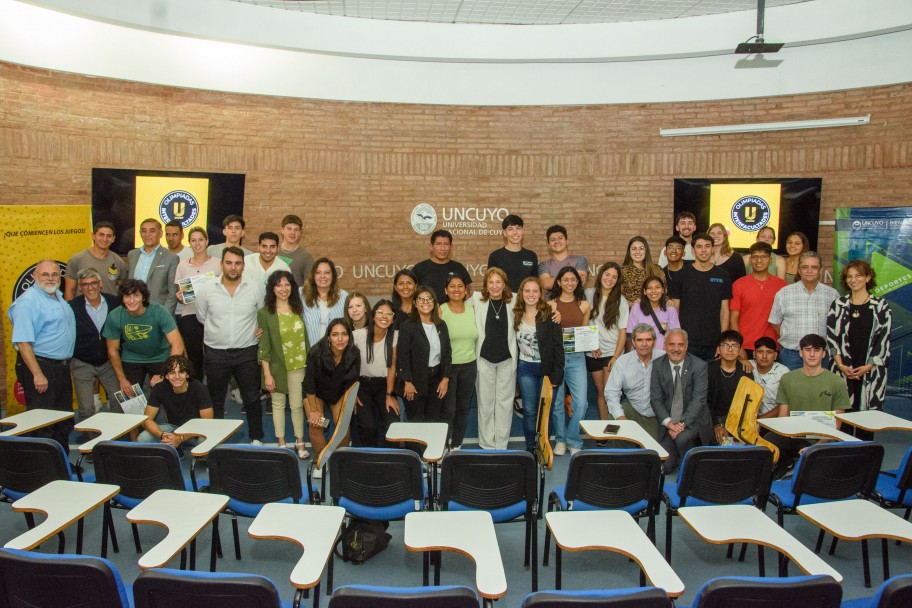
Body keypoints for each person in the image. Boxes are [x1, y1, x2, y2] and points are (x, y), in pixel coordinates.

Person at [195, 247, 267, 444]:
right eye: (228, 262)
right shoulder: (207, 289)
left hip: (247, 351)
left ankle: (256, 438)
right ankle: (216, 441)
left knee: (251, 397)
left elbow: (260, 314)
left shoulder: (255, 288)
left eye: (237, 263)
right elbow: (202, 317)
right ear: (221, 264)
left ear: (243, 265)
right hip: (216, 354)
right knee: (216, 400)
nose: (233, 267)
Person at [8, 259, 76, 450]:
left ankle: (60, 465)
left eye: (54, 274)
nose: (50, 278)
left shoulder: (57, 296)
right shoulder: (28, 302)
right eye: (44, 274)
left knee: (63, 419)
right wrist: (37, 374)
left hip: (60, 368)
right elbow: (23, 342)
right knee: (43, 423)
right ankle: (43, 470)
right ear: (34, 276)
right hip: (40, 367)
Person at [768, 333, 850, 476]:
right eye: (807, 350)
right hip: (792, 435)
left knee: (811, 466)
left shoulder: (837, 382)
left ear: (823, 354)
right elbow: (782, 417)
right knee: (764, 444)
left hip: (820, 439)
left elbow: (837, 425)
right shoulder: (787, 379)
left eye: (817, 350)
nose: (812, 354)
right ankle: (786, 463)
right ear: (801, 352)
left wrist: (816, 447)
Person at [826, 259, 892, 432]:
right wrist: (841, 365)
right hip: (842, 371)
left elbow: (883, 341)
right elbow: (831, 339)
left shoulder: (881, 306)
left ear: (868, 277)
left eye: (858, 275)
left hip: (871, 373)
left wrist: (868, 367)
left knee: (867, 424)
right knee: (841, 423)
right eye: (849, 276)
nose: (853, 280)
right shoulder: (838, 305)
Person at [103, 279, 184, 400]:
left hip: (160, 356)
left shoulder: (159, 311)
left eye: (136, 296)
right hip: (132, 357)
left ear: (144, 297)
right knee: (130, 399)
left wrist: (166, 374)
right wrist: (122, 380)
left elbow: (177, 344)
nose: (131, 300)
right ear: (122, 298)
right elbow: (112, 350)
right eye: (127, 296)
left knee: (169, 396)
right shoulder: (114, 316)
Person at [258, 270, 309, 458]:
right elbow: (263, 346)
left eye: (287, 285)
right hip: (277, 367)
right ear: (272, 288)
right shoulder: (265, 313)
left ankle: (300, 443)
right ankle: (281, 444)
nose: (283, 289)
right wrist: (267, 374)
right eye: (279, 285)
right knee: (278, 405)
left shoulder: (298, 308)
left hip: (299, 365)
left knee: (297, 405)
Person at [650, 328, 711, 473]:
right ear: (664, 345)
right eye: (671, 344)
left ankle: (691, 471)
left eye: (680, 345)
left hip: (694, 420)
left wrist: (681, 425)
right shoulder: (658, 365)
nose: (676, 349)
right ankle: (679, 458)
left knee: (681, 439)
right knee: (665, 466)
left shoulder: (699, 366)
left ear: (686, 346)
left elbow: (699, 400)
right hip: (669, 422)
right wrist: (669, 423)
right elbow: (656, 399)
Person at [513, 277, 564, 452]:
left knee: (546, 412)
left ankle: (544, 446)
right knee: (529, 410)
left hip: (547, 370)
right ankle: (530, 447)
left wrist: (556, 375)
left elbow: (558, 347)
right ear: (522, 293)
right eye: (527, 291)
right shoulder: (515, 314)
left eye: (535, 291)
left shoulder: (550, 314)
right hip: (526, 368)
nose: (531, 294)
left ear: (541, 294)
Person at [304, 319, 361, 468]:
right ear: (328, 337)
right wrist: (314, 410)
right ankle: (321, 461)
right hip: (315, 393)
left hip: (338, 392)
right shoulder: (316, 352)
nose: (340, 339)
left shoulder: (354, 353)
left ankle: (339, 459)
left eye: (344, 334)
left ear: (349, 336)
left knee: (341, 423)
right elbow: (309, 383)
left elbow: (352, 382)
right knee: (315, 423)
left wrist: (350, 401)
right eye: (335, 335)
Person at [472, 268, 518, 450]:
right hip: (484, 359)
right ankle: (487, 445)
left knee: (505, 404)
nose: (495, 286)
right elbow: (454, 302)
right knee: (485, 404)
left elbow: (535, 304)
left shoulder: (514, 300)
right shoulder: (476, 300)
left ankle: (501, 445)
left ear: (504, 284)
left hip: (507, 359)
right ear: (485, 285)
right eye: (491, 282)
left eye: (498, 282)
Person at [769, 251, 838, 370]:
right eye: (805, 267)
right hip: (791, 355)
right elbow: (775, 322)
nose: (809, 271)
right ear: (799, 270)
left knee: (820, 389)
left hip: (821, 356)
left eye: (814, 267)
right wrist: (789, 335)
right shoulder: (784, 293)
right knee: (791, 388)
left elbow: (836, 326)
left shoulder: (832, 295)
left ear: (820, 270)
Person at [68, 268, 122, 422]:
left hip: (109, 361)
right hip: (82, 362)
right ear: (80, 287)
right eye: (85, 285)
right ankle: (90, 441)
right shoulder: (72, 306)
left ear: (100, 284)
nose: (90, 288)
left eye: (93, 283)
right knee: (86, 408)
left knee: (119, 402)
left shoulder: (115, 302)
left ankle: (114, 437)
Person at [669, 232, 731, 362]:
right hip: (687, 342)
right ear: (692, 250)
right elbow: (675, 310)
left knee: (710, 381)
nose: (704, 250)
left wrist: (722, 342)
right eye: (699, 246)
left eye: (707, 246)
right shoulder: (681, 276)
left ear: (713, 249)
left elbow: (724, 310)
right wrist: (678, 340)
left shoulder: (723, 275)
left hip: (713, 344)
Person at [548, 266, 591, 455]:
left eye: (573, 279)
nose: (570, 283)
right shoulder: (550, 305)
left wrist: (592, 344)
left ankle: (573, 439)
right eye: (565, 279)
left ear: (578, 282)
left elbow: (583, 332)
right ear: (558, 282)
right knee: (557, 402)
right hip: (556, 358)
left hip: (576, 357)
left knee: (581, 402)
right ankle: (560, 439)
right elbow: (546, 333)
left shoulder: (584, 305)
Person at [397, 285, 452, 425]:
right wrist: (407, 382)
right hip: (414, 382)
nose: (425, 302)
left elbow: (447, 353)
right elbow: (402, 356)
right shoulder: (407, 326)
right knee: (416, 423)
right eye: (421, 299)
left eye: (429, 299)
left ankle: (432, 448)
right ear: (415, 303)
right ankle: (415, 448)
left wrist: (445, 378)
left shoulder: (441, 325)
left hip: (436, 381)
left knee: (433, 421)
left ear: (434, 302)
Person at [174, 226, 221, 381]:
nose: (197, 244)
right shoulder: (182, 265)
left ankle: (214, 393)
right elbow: (180, 291)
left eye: (200, 240)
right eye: (193, 240)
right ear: (189, 243)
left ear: (207, 241)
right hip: (190, 314)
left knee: (213, 356)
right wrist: (180, 296)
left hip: (213, 316)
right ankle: (197, 389)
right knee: (194, 357)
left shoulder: (218, 264)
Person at [603, 323, 665, 439]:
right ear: (633, 342)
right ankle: (620, 456)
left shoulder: (664, 359)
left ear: (654, 341)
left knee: (653, 453)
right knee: (614, 420)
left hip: (656, 414)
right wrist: (620, 417)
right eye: (640, 340)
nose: (644, 344)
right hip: (632, 408)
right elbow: (611, 392)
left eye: (648, 340)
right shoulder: (623, 361)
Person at [137, 355, 214, 446]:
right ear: (166, 376)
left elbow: (207, 422)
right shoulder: (159, 388)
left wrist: (180, 438)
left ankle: (201, 460)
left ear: (187, 374)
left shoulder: (200, 388)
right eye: (172, 372)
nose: (177, 376)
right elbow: (147, 419)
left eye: (181, 372)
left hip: (195, 430)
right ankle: (174, 449)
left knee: (205, 439)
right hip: (173, 428)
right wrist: (162, 435)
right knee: (143, 438)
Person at [352, 300, 399, 447]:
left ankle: (391, 461)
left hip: (384, 386)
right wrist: (351, 393)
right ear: (373, 316)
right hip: (362, 385)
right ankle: (369, 459)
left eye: (389, 314)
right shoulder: (357, 336)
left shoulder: (395, 336)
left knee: (393, 424)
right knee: (368, 426)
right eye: (380, 312)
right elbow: (348, 367)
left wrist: (389, 395)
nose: (384, 316)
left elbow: (392, 368)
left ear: (392, 319)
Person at [440, 276, 478, 450]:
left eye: (460, 286)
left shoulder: (473, 309)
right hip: (448, 368)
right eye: (452, 286)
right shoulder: (441, 310)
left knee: (463, 409)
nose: (456, 289)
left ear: (466, 290)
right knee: (448, 410)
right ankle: (442, 447)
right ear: (446, 290)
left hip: (470, 365)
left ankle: (457, 445)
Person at [730, 241, 787, 357]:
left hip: (773, 346)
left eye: (763, 257)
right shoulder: (738, 285)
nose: (759, 260)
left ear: (770, 261)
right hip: (746, 346)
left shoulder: (782, 286)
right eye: (755, 257)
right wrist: (738, 346)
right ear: (750, 261)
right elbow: (733, 318)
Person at [587, 262, 628, 421]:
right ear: (600, 274)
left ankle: (614, 427)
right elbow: (584, 323)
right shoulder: (589, 294)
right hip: (593, 353)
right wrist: (592, 346)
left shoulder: (621, 301)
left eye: (614, 277)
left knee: (609, 392)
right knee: (600, 391)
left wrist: (616, 357)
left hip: (612, 353)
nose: (609, 279)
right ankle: (604, 429)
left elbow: (622, 332)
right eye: (607, 274)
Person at [706, 330, 752, 445]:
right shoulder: (709, 370)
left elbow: (749, 402)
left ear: (740, 349)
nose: (730, 349)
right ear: (718, 349)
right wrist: (716, 425)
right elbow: (705, 402)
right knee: (722, 444)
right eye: (725, 345)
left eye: (734, 346)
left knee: (743, 446)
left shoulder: (746, 371)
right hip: (716, 418)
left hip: (739, 419)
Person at [127, 218, 179, 314]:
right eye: (144, 231)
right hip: (133, 312)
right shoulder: (132, 255)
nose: (147, 235)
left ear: (160, 233)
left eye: (152, 231)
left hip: (158, 314)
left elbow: (172, 293)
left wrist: (164, 316)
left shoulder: (171, 258)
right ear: (140, 233)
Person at [64, 220, 127, 299]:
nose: (105, 239)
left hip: (111, 309)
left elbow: (123, 290)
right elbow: (70, 290)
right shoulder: (76, 259)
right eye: (101, 235)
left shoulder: (118, 261)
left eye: (109, 236)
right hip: (83, 309)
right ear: (93, 236)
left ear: (113, 239)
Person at [412, 229, 472, 304]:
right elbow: (412, 296)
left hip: (454, 314)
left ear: (451, 247)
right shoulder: (419, 268)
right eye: (438, 244)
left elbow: (467, 296)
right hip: (427, 312)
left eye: (446, 244)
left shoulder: (459, 268)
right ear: (431, 246)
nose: (442, 248)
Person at [302, 258, 349, 347]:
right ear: (313, 275)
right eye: (318, 272)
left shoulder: (344, 297)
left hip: (335, 353)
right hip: (310, 353)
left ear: (333, 276)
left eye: (327, 273)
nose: (322, 276)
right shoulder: (301, 295)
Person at [627, 275, 680, 349]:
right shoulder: (637, 307)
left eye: (657, 287)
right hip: (640, 353)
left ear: (663, 290)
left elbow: (674, 335)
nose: (653, 291)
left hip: (661, 355)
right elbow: (632, 334)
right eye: (649, 288)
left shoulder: (670, 309)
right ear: (645, 292)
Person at [487, 214, 538, 292]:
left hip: (526, 301)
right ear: (504, 233)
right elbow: (490, 284)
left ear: (523, 231)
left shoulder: (531, 256)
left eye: (518, 228)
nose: (515, 232)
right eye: (510, 229)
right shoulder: (495, 256)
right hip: (504, 302)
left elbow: (535, 283)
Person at [538, 225, 589, 291]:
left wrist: (554, 279)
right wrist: (572, 277)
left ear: (567, 241)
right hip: (551, 301)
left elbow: (579, 281)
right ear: (548, 245)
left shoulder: (580, 260)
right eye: (553, 240)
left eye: (560, 238)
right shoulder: (543, 265)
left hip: (576, 300)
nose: (557, 242)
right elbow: (546, 284)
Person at [750, 337, 789, 419]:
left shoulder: (783, 372)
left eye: (769, 352)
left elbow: (785, 404)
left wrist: (760, 420)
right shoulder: (748, 366)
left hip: (775, 420)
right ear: (754, 354)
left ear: (775, 355)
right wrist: (742, 359)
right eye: (760, 352)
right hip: (749, 419)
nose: (764, 356)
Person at [620, 236, 664, 305]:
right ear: (629, 252)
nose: (637, 252)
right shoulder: (622, 271)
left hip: (655, 311)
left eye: (641, 248)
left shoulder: (657, 269)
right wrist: (633, 305)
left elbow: (664, 291)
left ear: (646, 251)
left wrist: (668, 301)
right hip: (631, 312)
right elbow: (616, 296)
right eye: (634, 249)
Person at [277, 214, 314, 289]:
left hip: (294, 300)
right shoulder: (272, 252)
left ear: (301, 232)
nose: (292, 233)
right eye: (289, 229)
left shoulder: (306, 257)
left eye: (296, 230)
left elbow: (309, 286)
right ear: (282, 230)